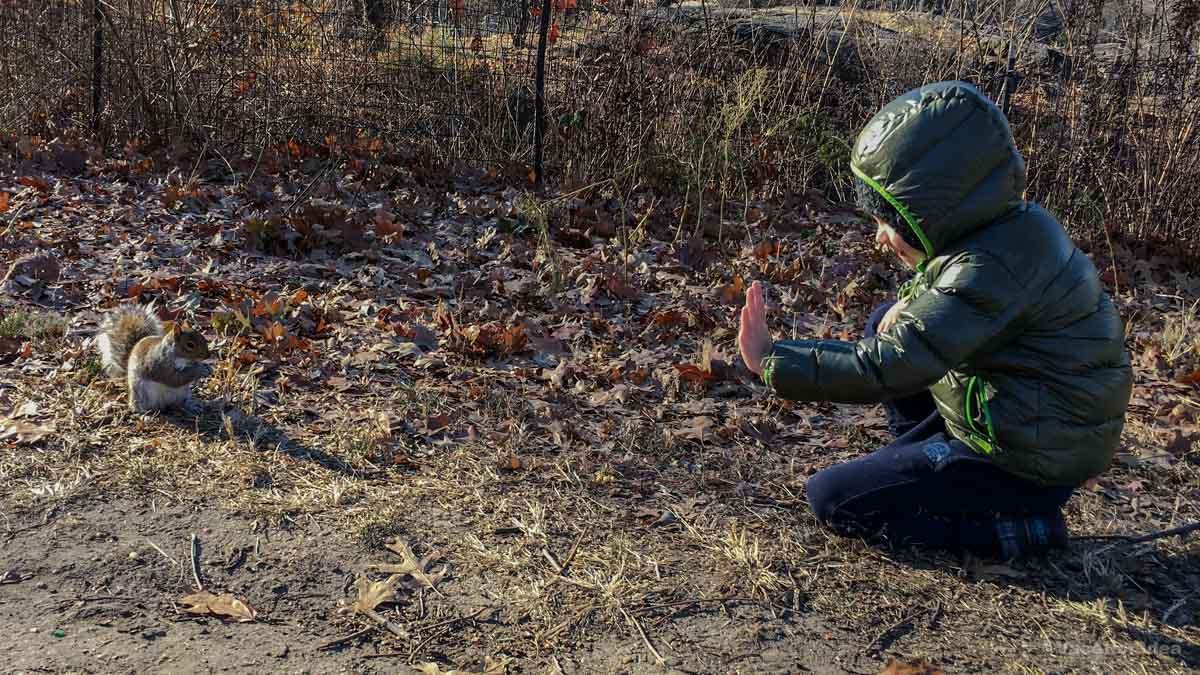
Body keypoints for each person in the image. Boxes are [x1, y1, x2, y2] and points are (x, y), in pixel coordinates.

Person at [738, 81, 1132, 560]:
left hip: (1025, 461)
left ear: (936, 211)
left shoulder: (989, 268)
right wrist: (910, 303)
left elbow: (887, 367)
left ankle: (1026, 526)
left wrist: (772, 361)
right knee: (887, 318)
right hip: (1023, 426)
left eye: (894, 221)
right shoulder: (1007, 228)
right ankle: (928, 460)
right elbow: (943, 310)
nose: (882, 237)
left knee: (835, 499)